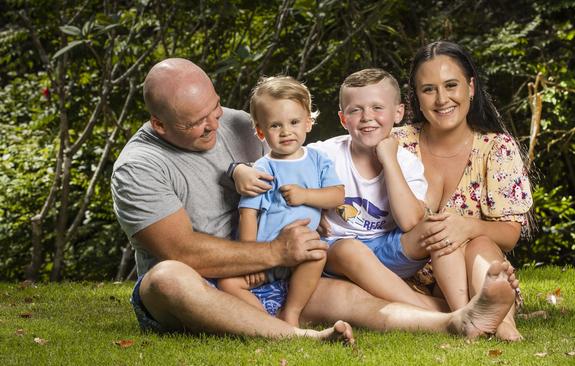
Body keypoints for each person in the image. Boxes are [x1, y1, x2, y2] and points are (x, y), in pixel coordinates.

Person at [111, 56, 519, 342]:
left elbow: (293, 166)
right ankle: (295, 339)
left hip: (280, 271)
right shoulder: (140, 167)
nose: (212, 125)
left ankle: (457, 320)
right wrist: (275, 252)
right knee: (167, 279)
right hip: (208, 285)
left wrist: (309, 215)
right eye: (195, 122)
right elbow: (182, 252)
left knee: (358, 301)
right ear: (159, 124)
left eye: (215, 109)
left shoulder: (238, 125)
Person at [392, 41, 534, 341]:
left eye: (451, 85)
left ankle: (504, 323)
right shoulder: (396, 142)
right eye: (428, 89)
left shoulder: (497, 148)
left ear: (470, 87)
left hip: (473, 279)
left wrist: (466, 226)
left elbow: (510, 233)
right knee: (450, 237)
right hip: (406, 281)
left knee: (480, 240)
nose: (442, 99)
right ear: (416, 97)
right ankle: (468, 317)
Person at [308, 68, 440, 310]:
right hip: (338, 251)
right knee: (350, 249)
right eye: (355, 110)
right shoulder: (323, 155)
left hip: (386, 248)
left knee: (437, 230)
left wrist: (389, 160)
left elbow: (410, 222)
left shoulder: (406, 162)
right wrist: (308, 214)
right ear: (343, 118)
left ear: (398, 112)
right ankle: (433, 310)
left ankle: (459, 301)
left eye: (377, 108)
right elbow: (281, 173)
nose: (367, 116)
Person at [218, 76, 344, 327]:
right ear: (260, 131)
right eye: (275, 126)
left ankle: (291, 313)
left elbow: (337, 195)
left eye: (294, 122)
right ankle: (267, 322)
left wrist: (305, 195)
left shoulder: (318, 159)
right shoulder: (262, 168)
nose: (286, 131)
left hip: (302, 253)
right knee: (227, 283)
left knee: (319, 254)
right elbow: (248, 214)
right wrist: (249, 258)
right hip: (268, 255)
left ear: (308, 122)